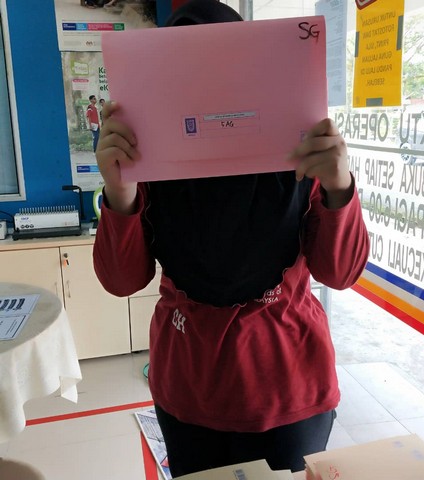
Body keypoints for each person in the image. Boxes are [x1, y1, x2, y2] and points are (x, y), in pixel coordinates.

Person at [93, 0, 370, 476]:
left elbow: (341, 273)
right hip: (190, 389)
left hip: (288, 385)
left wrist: (339, 186)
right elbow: (121, 281)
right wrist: (120, 192)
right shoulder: (155, 162)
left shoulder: (295, 150)